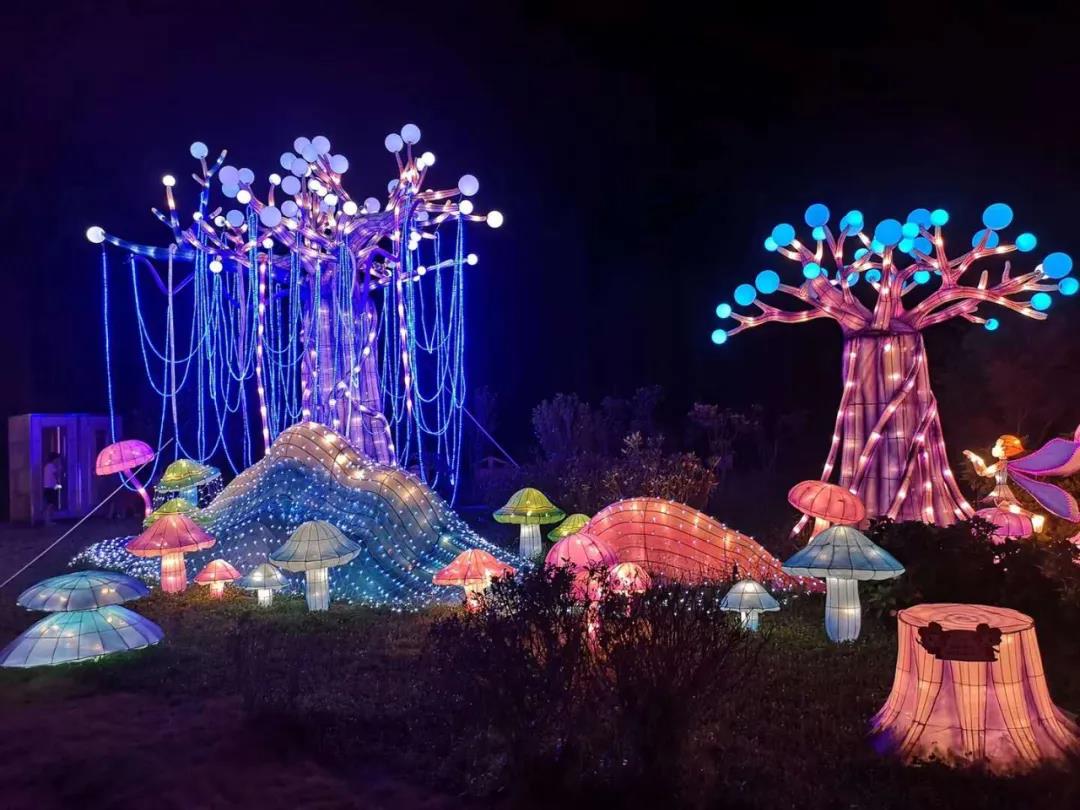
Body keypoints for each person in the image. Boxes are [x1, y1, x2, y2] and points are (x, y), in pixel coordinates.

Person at [42, 452, 63, 525]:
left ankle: (48, 520)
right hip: (51, 488)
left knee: (49, 503)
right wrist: (59, 468)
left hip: (47, 487)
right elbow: (57, 475)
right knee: (50, 504)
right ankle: (48, 520)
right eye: (57, 459)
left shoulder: (46, 466)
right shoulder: (52, 466)